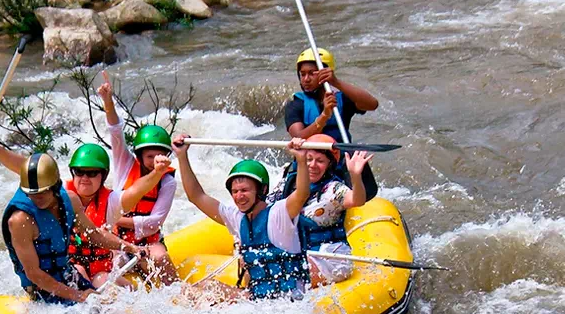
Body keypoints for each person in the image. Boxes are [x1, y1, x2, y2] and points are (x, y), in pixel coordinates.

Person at [0, 130, 146, 304]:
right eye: (32, 194)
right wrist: (77, 296)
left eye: (42, 193)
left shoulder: (70, 200)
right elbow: (33, 273)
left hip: (66, 273)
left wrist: (130, 247)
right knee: (89, 308)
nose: (37, 198)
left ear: (55, 186)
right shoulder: (20, 220)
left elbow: (95, 235)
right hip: (41, 288)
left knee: (103, 306)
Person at [174, 133, 312, 300]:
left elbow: (302, 193)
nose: (239, 196)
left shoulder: (279, 213)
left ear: (262, 190)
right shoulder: (237, 218)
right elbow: (196, 196)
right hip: (257, 299)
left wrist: (302, 160)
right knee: (201, 288)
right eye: (235, 191)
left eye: (245, 190)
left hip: (288, 300)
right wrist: (182, 156)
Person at [97, 71, 180, 285]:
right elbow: (115, 131)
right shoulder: (125, 163)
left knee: (160, 257)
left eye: (158, 155)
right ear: (140, 155)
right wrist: (108, 102)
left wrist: (114, 218)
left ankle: (180, 294)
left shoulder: (168, 181)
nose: (154, 161)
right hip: (116, 239)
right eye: (149, 156)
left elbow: (154, 223)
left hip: (148, 241)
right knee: (109, 270)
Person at [64, 142, 173, 288]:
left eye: (92, 173)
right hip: (71, 266)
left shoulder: (110, 202)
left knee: (115, 285)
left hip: (100, 268)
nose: (84, 177)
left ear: (102, 176)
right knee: (78, 274)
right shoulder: (62, 194)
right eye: (79, 172)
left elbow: (135, 191)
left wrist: (157, 172)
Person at [285, 47, 379, 200]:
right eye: (302, 74)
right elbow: (298, 137)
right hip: (311, 163)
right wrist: (324, 116)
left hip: (340, 160)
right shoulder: (296, 104)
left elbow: (372, 104)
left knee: (360, 185)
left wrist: (336, 82)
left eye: (312, 73)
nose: (306, 79)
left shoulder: (341, 99)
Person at [289, 134, 372, 287]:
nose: (313, 165)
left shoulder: (334, 189)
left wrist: (355, 176)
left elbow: (357, 200)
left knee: (287, 272)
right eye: (309, 159)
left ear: (329, 165)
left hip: (329, 256)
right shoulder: (288, 185)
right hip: (301, 252)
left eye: (320, 161)